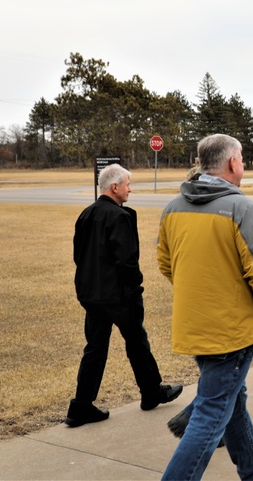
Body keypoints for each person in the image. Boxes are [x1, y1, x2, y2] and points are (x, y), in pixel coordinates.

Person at [157, 134, 253, 481]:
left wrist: (200, 294)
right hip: (231, 331)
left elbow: (167, 264)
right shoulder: (240, 208)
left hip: (196, 326)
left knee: (233, 398)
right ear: (232, 163)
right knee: (211, 416)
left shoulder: (173, 207)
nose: (242, 164)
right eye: (241, 158)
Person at [67, 164, 182, 428]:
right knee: (137, 342)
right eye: (128, 184)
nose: (131, 188)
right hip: (118, 296)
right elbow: (128, 261)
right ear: (114, 187)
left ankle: (80, 406)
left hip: (92, 295)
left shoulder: (86, 214)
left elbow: (78, 256)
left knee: (95, 349)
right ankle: (152, 392)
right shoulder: (119, 217)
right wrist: (136, 287)